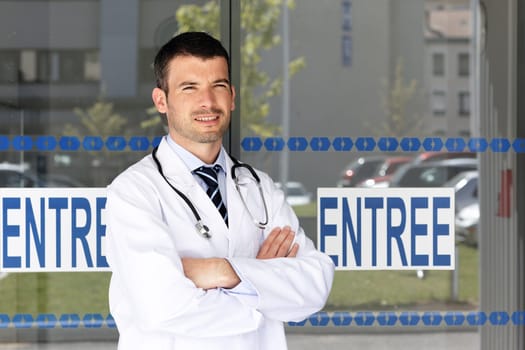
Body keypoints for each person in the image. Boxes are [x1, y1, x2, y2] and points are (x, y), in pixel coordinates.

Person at [106, 31, 334, 350]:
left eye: (219, 86)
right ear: (161, 100)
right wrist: (263, 290)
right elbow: (162, 304)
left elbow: (315, 284)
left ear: (233, 97)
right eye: (190, 88)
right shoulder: (134, 192)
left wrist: (221, 270)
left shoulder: (260, 188)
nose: (208, 102)